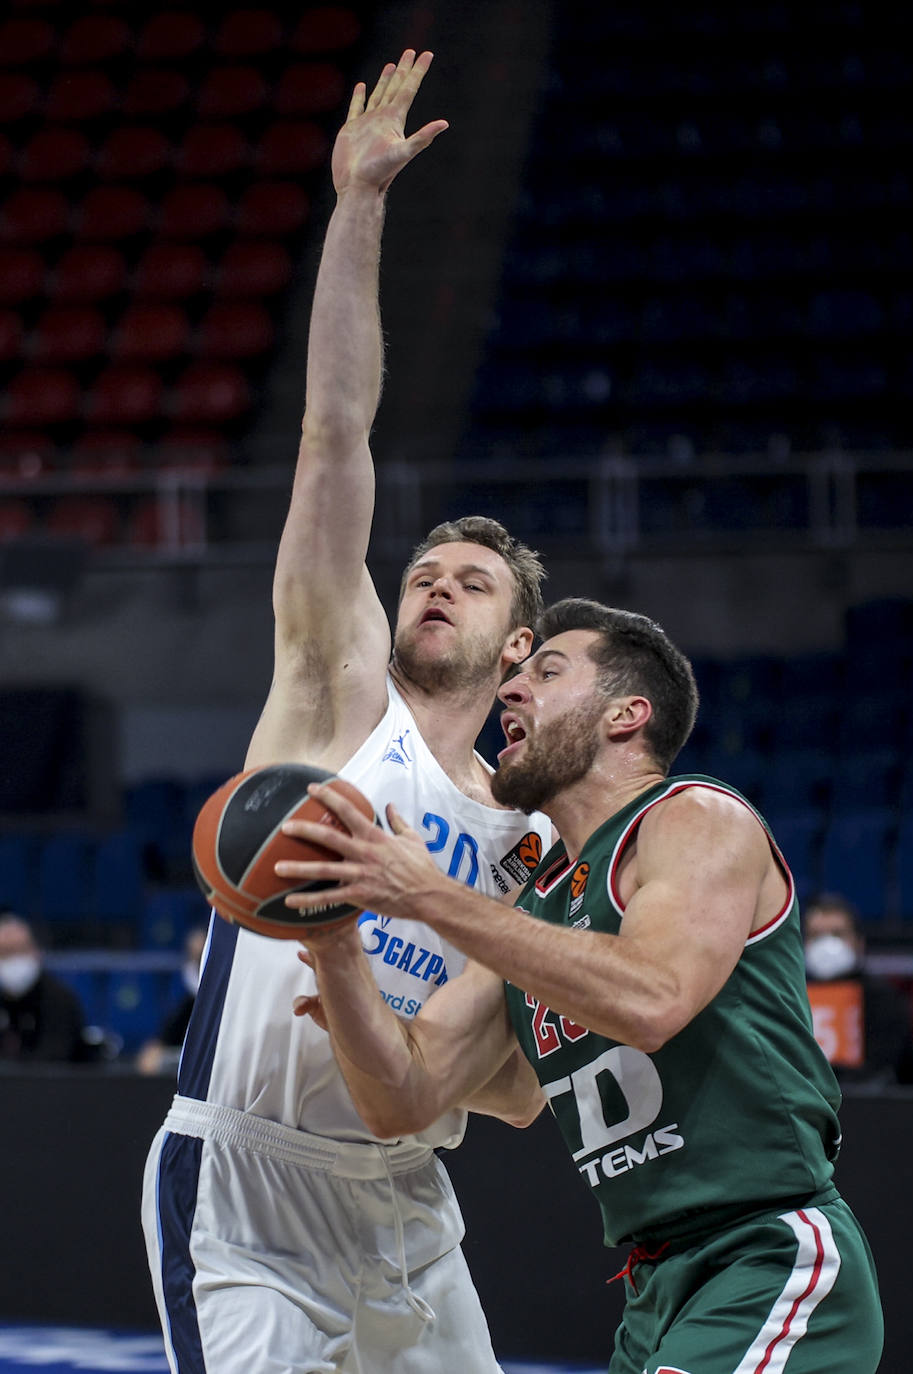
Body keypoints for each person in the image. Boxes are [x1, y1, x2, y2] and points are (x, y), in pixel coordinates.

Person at [141, 50, 553, 1374]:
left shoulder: (531, 841)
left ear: (520, 650)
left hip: (407, 1203)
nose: (435, 581)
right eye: (424, 568)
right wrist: (360, 208)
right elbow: (334, 430)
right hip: (248, 1185)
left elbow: (517, 1091)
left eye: (471, 580)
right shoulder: (337, 693)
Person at [280, 598, 885, 1374]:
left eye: (548, 671)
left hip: (765, 1253)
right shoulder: (530, 906)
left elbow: (652, 998)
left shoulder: (693, 819)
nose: (511, 690)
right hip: (652, 1286)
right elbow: (406, 1095)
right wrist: (336, 948)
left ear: (626, 715)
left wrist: (427, 893)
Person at [804, 891, 913, 1087]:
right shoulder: (790, 996)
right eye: (816, 935)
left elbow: (885, 1071)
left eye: (837, 934)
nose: (826, 944)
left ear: (859, 942)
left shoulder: (887, 1000)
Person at [0, 911, 87, 1063]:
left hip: (55, 1085)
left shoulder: (60, 1000)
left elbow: (57, 1058)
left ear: (36, 952)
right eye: (6, 953)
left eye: (20, 950)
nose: (13, 960)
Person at [136, 926, 207, 1076]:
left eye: (203, 954)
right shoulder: (182, 995)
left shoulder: (223, 997)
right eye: (196, 955)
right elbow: (152, 1054)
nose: (199, 957)